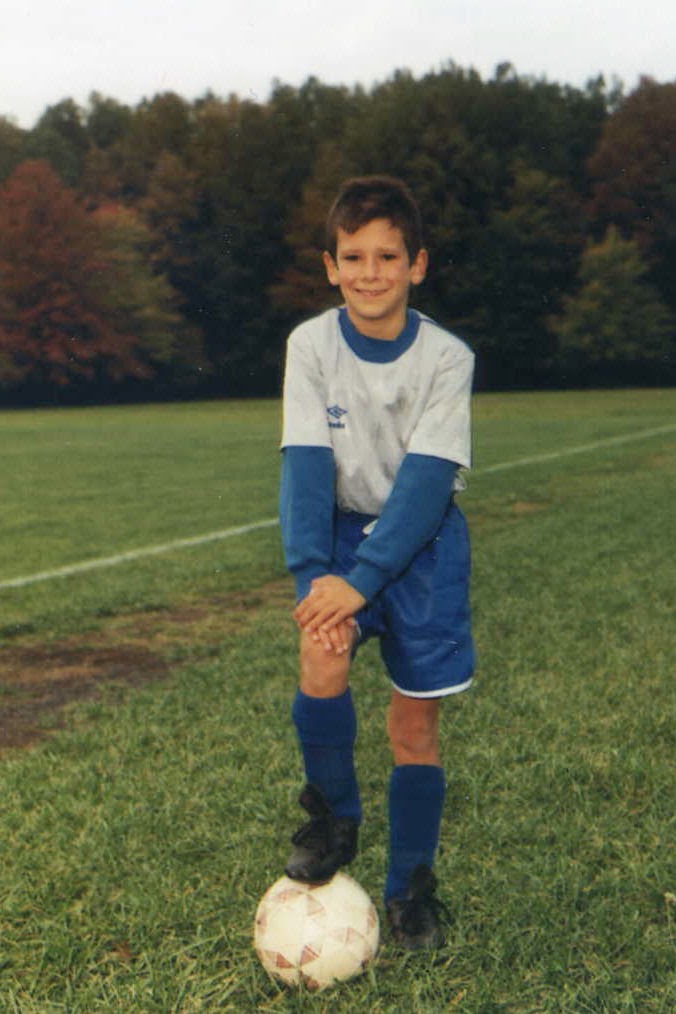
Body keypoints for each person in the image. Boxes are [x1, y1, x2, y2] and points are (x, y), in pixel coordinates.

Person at [278, 175, 475, 950]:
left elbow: (426, 487)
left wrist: (362, 583)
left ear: (416, 265)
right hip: (337, 537)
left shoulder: (447, 358)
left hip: (422, 548)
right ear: (331, 267)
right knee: (320, 654)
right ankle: (335, 817)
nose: (370, 273)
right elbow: (303, 464)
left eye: (387, 257)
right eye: (353, 257)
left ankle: (408, 891)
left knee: (413, 727)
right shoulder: (311, 346)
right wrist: (315, 581)